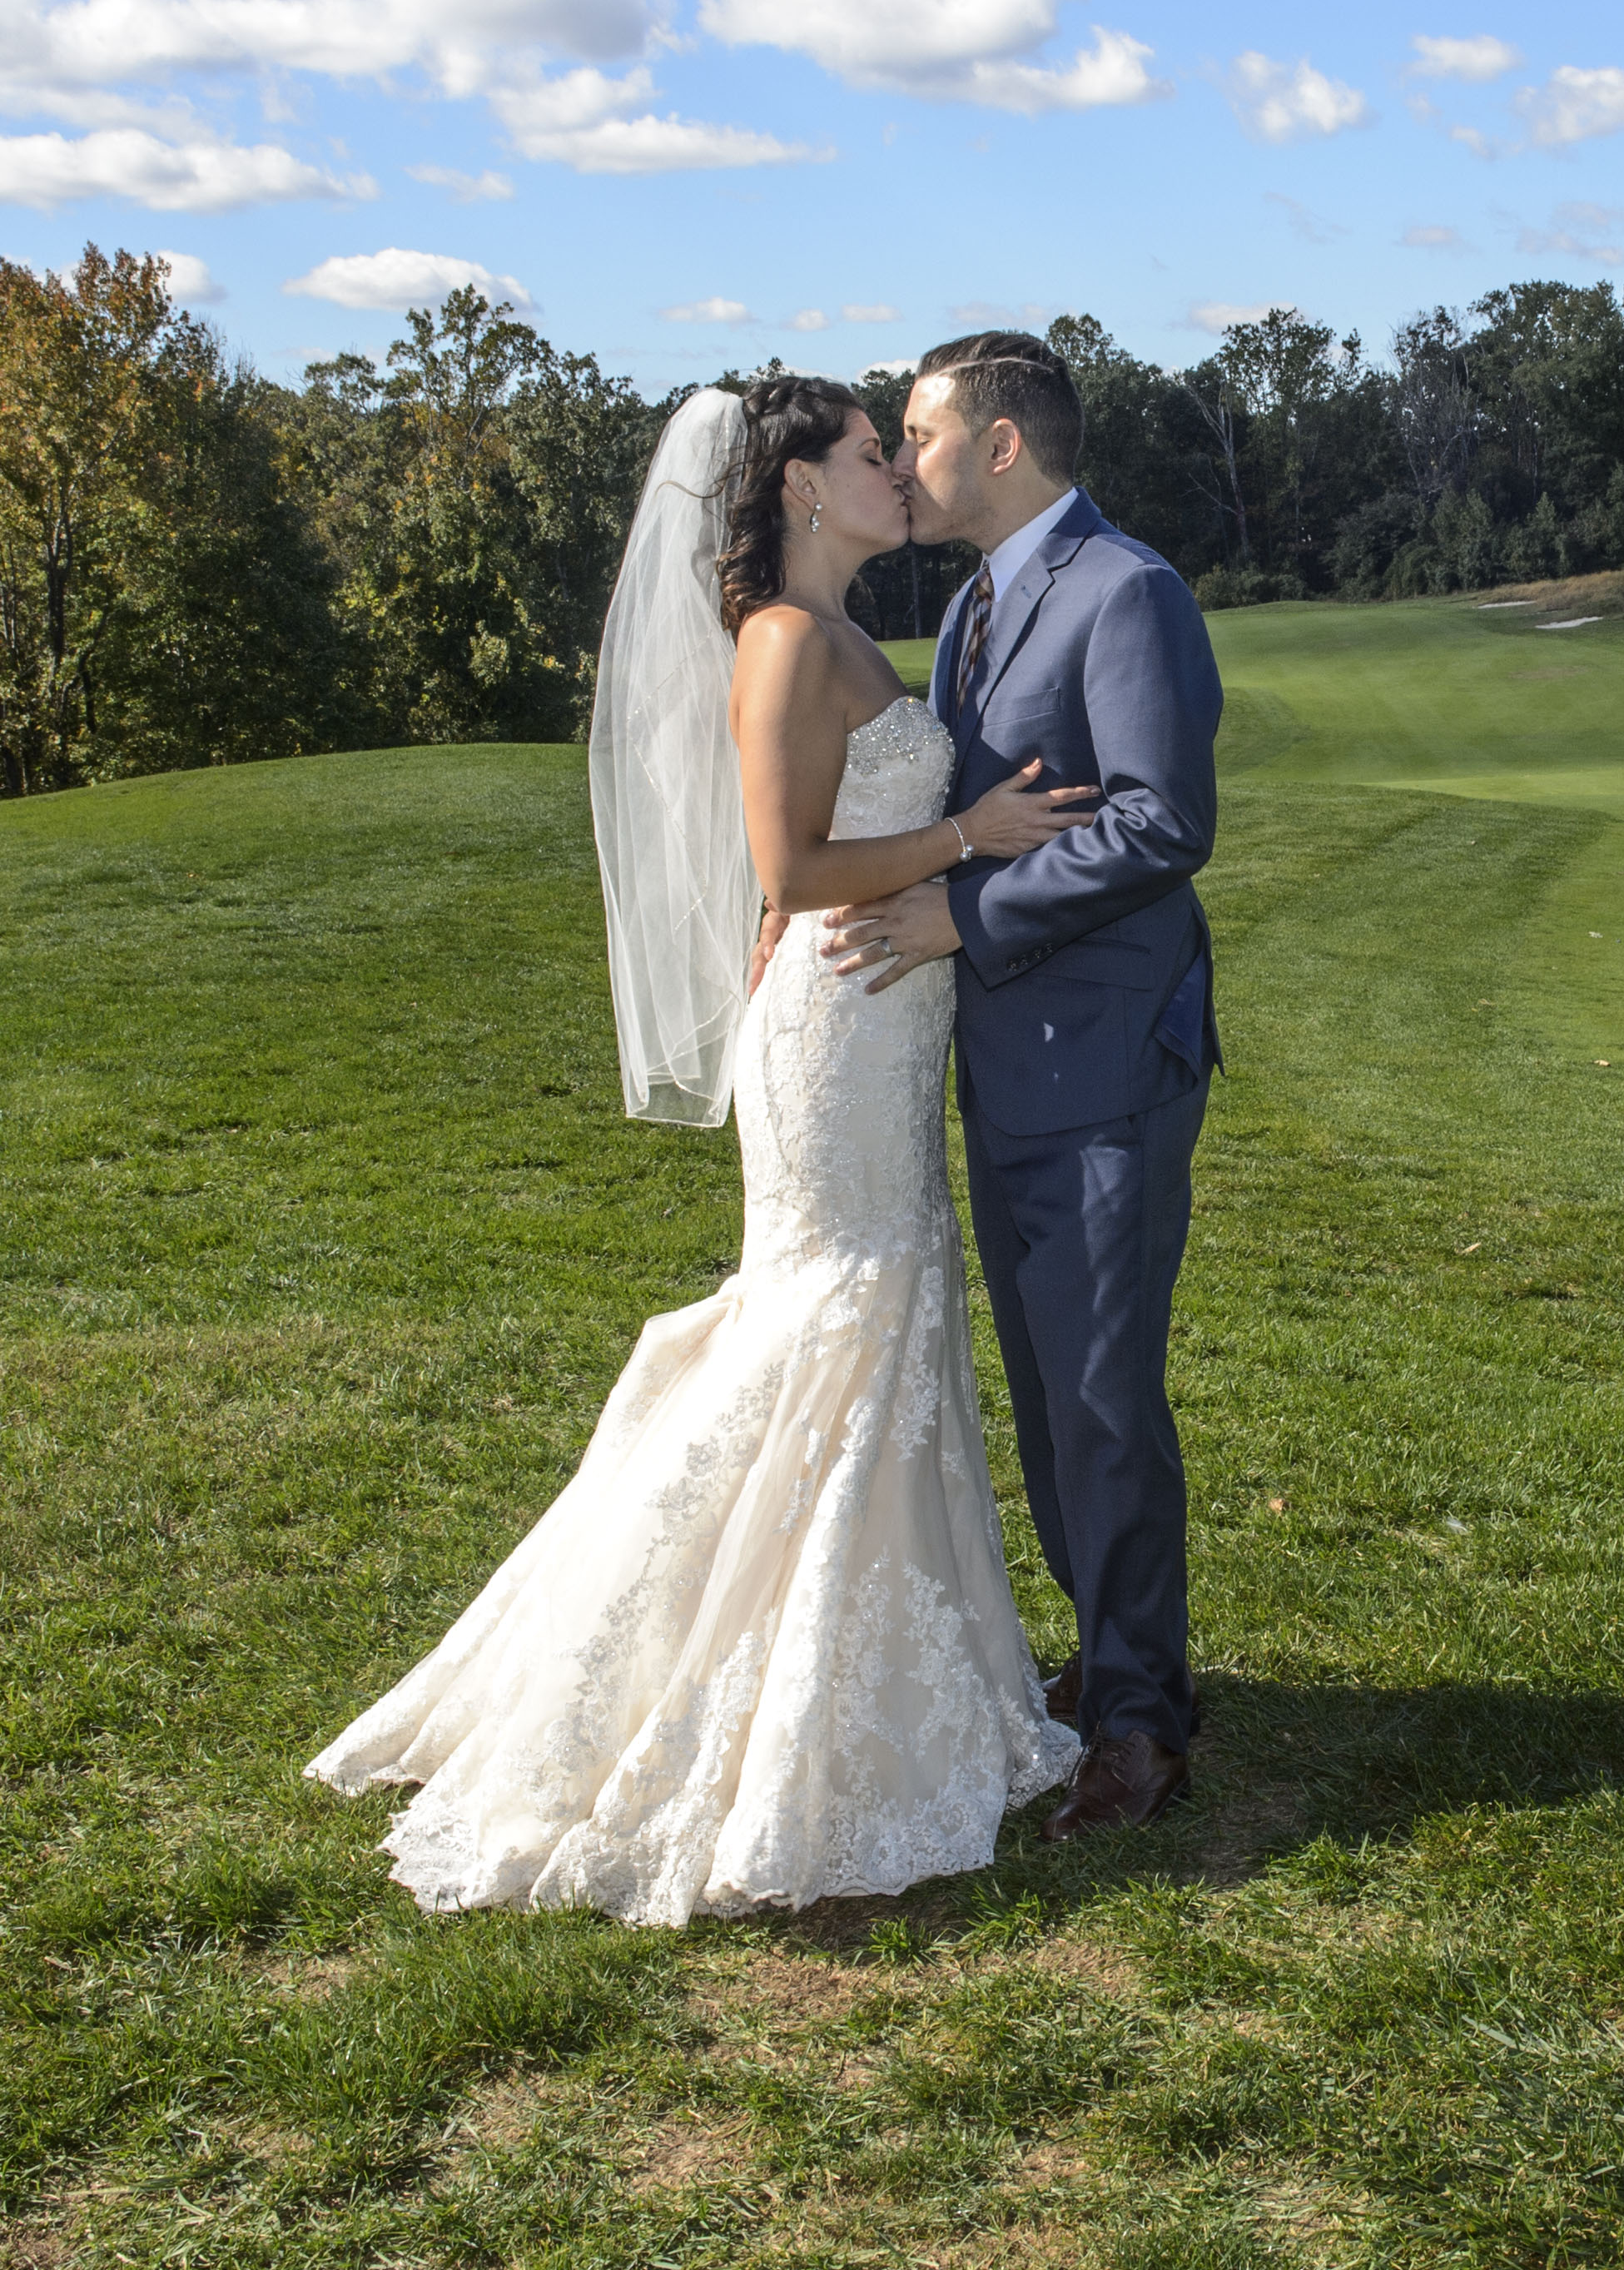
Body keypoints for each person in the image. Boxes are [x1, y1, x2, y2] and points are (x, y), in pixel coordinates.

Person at [302, 375, 1100, 1924]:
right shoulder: (792, 641)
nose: (899, 475)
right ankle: (705, 1673)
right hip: (842, 1026)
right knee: (837, 1316)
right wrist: (968, 836)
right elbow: (790, 862)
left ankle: (872, 1665)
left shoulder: (847, 634)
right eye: (873, 456)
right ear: (798, 485)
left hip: (877, 1022)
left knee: (877, 1311)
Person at [820, 330, 1224, 1844]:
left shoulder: (1128, 594)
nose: (903, 461)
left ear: (1001, 446)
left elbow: (1161, 824)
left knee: (1103, 1396)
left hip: (1107, 1063)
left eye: (918, 434)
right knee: (1060, 1399)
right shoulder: (982, 604)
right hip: (1011, 1066)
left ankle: (1137, 1725)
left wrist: (960, 919)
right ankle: (1127, 1673)